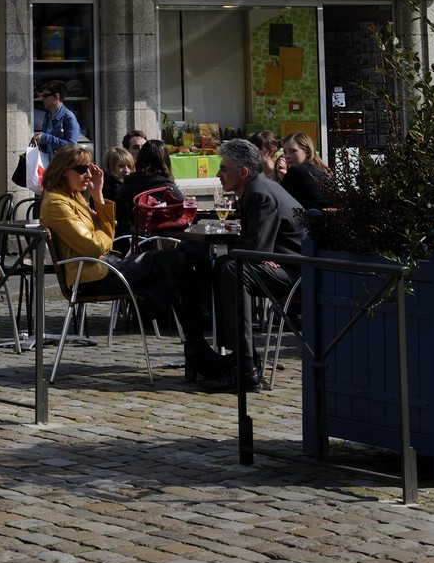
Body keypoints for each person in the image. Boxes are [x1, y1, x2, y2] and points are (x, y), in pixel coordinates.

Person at [38, 146, 203, 342]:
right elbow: (95, 246)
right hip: (92, 275)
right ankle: (196, 335)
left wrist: (97, 195)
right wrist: (104, 238)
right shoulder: (58, 203)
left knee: (175, 263)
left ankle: (193, 335)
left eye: (89, 169)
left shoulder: (72, 196)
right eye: (82, 169)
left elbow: (104, 233)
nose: (88, 175)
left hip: (104, 265)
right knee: (173, 261)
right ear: (63, 171)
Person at [207, 138, 305, 393]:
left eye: (223, 169)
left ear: (243, 172)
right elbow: (257, 250)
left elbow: (255, 251)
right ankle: (235, 357)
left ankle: (246, 368)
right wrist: (260, 255)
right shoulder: (258, 187)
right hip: (288, 264)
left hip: (300, 273)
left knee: (234, 269)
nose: (218, 174)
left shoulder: (259, 193)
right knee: (223, 265)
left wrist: (261, 255)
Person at [114, 139, 184, 239]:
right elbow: (188, 217)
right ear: (165, 161)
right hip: (161, 242)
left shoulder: (126, 185)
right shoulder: (167, 189)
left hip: (129, 241)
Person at [281, 131, 337, 210]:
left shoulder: (297, 170)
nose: (287, 156)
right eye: (285, 152)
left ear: (307, 152)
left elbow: (279, 199)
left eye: (293, 151)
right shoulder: (321, 170)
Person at [33, 80, 82, 154]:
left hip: (62, 161)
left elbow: (72, 146)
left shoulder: (69, 117)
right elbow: (46, 143)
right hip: (49, 161)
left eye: (45, 96)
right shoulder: (48, 115)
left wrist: (45, 138)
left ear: (56, 96)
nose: (42, 99)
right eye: (42, 95)